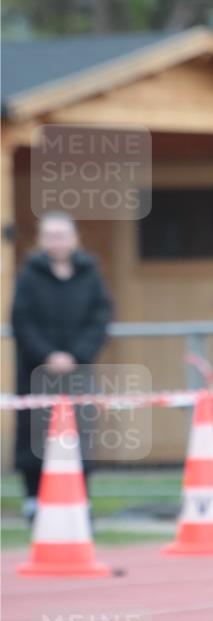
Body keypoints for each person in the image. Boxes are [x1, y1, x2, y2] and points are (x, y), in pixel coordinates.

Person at [11, 213, 113, 522]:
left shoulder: (90, 273)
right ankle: (33, 498)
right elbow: (21, 320)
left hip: (78, 370)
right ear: (40, 241)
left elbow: (101, 317)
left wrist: (76, 355)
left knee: (80, 432)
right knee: (34, 434)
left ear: (75, 239)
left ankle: (81, 498)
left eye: (62, 235)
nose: (57, 241)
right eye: (50, 235)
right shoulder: (29, 275)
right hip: (36, 370)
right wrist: (48, 355)